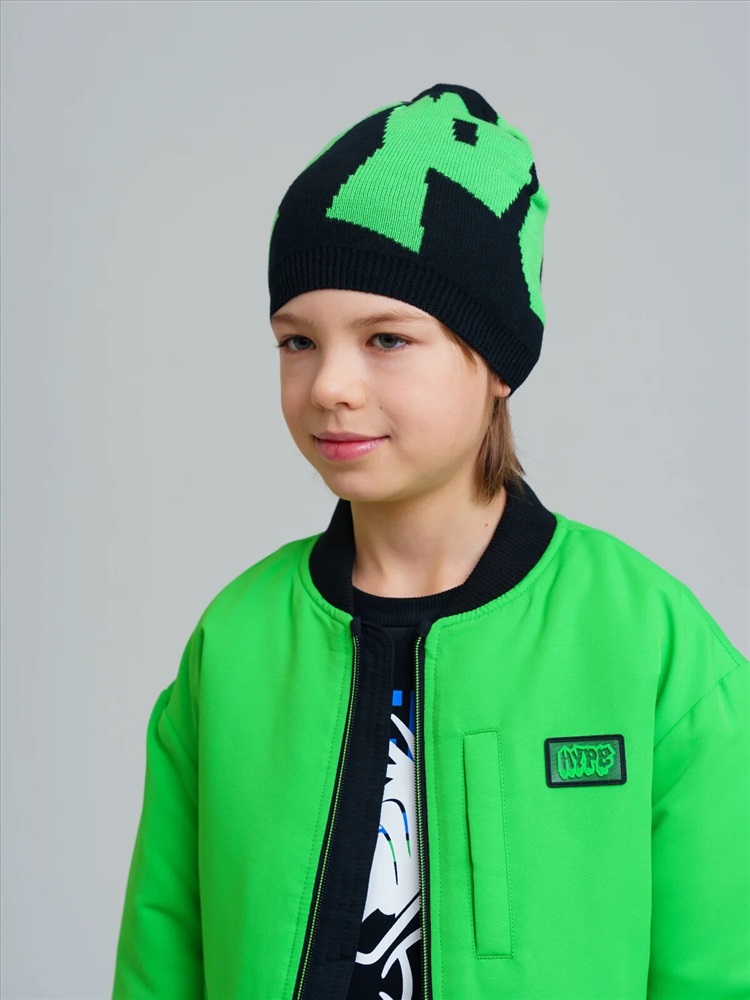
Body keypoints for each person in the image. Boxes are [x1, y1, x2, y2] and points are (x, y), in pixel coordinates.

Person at [111, 83, 749, 1000]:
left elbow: (720, 971)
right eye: (297, 342)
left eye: (386, 338)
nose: (329, 385)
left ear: (496, 363)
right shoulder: (235, 644)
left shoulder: (648, 643)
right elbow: (161, 964)